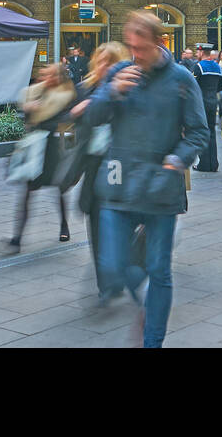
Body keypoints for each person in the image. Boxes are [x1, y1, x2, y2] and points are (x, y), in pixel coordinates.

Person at [86, 10, 209, 348]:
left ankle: (152, 340)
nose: (135, 55)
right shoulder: (118, 72)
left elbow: (199, 133)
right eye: (131, 47)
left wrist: (177, 159)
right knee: (112, 265)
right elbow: (92, 116)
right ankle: (145, 299)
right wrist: (110, 91)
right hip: (118, 186)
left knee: (159, 270)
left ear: (160, 42)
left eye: (141, 48)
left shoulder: (182, 79)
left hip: (160, 189)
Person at [68, 41, 131, 294]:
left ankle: (122, 267)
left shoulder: (128, 89)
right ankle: (104, 282)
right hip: (93, 165)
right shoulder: (86, 88)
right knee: (96, 223)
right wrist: (76, 113)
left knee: (119, 223)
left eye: (111, 61)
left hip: (121, 167)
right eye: (101, 61)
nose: (104, 66)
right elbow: (69, 121)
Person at [2, 63, 77, 253]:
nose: (46, 78)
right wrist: (28, 109)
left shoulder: (65, 96)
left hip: (54, 149)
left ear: (59, 77)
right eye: (44, 75)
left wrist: (70, 153)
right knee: (27, 192)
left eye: (51, 75)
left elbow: (67, 123)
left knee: (60, 190)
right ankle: (17, 239)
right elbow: (27, 122)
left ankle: (64, 225)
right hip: (36, 148)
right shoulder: (34, 92)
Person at [191, 46, 222, 172]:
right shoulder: (217, 67)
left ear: (201, 52)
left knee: (202, 132)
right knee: (211, 132)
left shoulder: (198, 67)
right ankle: (213, 163)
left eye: (197, 51)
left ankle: (204, 163)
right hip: (213, 101)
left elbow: (192, 85)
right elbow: (221, 86)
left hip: (201, 102)